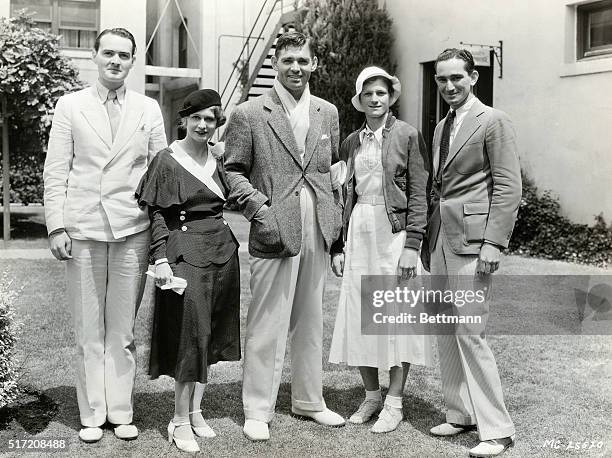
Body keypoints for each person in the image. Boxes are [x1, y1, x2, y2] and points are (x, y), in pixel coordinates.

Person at [43, 28, 167, 443]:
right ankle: (93, 414)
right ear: (94, 57)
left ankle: (121, 410)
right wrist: (57, 225)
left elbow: (159, 173)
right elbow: (57, 170)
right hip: (83, 230)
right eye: (108, 53)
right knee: (87, 330)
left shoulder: (148, 109)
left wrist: (159, 233)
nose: (116, 61)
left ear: (133, 61)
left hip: (133, 229)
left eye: (124, 55)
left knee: (123, 331)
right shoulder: (70, 105)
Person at [224, 31, 345, 441]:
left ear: (314, 64)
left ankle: (310, 401)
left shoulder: (327, 112)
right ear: (276, 63)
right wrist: (260, 211)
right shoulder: (248, 112)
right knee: (268, 321)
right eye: (289, 60)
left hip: (318, 228)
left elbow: (332, 173)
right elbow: (232, 170)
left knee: (310, 321)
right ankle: (257, 408)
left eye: (304, 61)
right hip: (274, 228)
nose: (297, 67)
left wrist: (337, 232)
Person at [422, 48, 521, 457]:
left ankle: (496, 430)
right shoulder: (440, 126)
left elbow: (508, 186)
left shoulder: (493, 121)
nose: (449, 86)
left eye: (456, 79)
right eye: (442, 80)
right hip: (441, 239)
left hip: (473, 242)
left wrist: (494, 243)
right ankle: (459, 412)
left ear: (473, 77)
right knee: (445, 328)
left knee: (470, 330)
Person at [328, 67, 433, 433]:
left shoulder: (407, 135)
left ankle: (394, 402)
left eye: (382, 93)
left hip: (395, 234)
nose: (376, 99)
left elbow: (420, 195)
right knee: (362, 311)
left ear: (391, 98)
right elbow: (343, 196)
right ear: (360, 99)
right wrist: (337, 246)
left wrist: (412, 246)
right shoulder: (350, 143)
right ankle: (372, 395)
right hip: (359, 229)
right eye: (369, 93)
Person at [135, 89, 240, 453]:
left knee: (209, 334)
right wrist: (160, 258)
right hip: (184, 253)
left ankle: (195, 411)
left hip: (223, 251)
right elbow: (157, 215)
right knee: (189, 335)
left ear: (217, 124)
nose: (202, 124)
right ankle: (178, 420)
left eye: (210, 118)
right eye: (195, 117)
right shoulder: (166, 160)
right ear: (183, 120)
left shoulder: (218, 159)